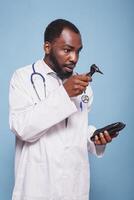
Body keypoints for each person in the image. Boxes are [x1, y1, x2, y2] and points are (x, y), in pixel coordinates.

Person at [9, 19, 118, 200]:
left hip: (73, 189)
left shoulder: (83, 86)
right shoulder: (23, 78)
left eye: (78, 51)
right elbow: (22, 128)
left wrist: (95, 140)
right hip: (36, 188)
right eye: (67, 50)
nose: (74, 58)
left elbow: (75, 132)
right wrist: (64, 94)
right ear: (47, 47)